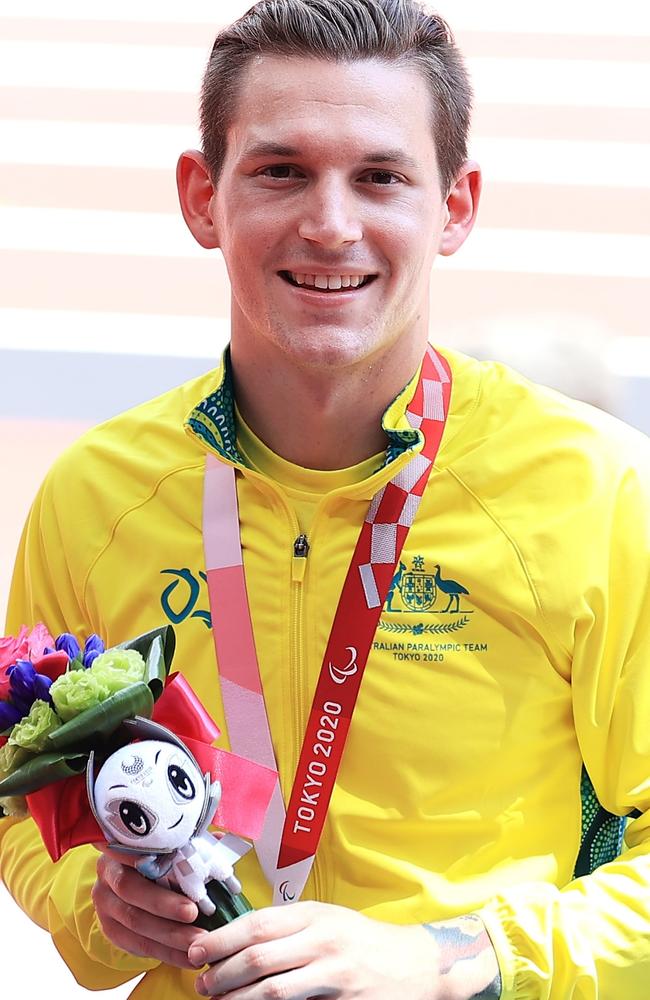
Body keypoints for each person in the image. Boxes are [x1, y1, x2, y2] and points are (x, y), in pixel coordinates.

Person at [2, 1, 650, 997]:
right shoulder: (99, 493)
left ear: (455, 206)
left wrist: (451, 957)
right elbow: (24, 797)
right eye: (280, 170)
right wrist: (93, 897)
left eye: (380, 176)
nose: (330, 223)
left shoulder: (593, 488)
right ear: (201, 195)